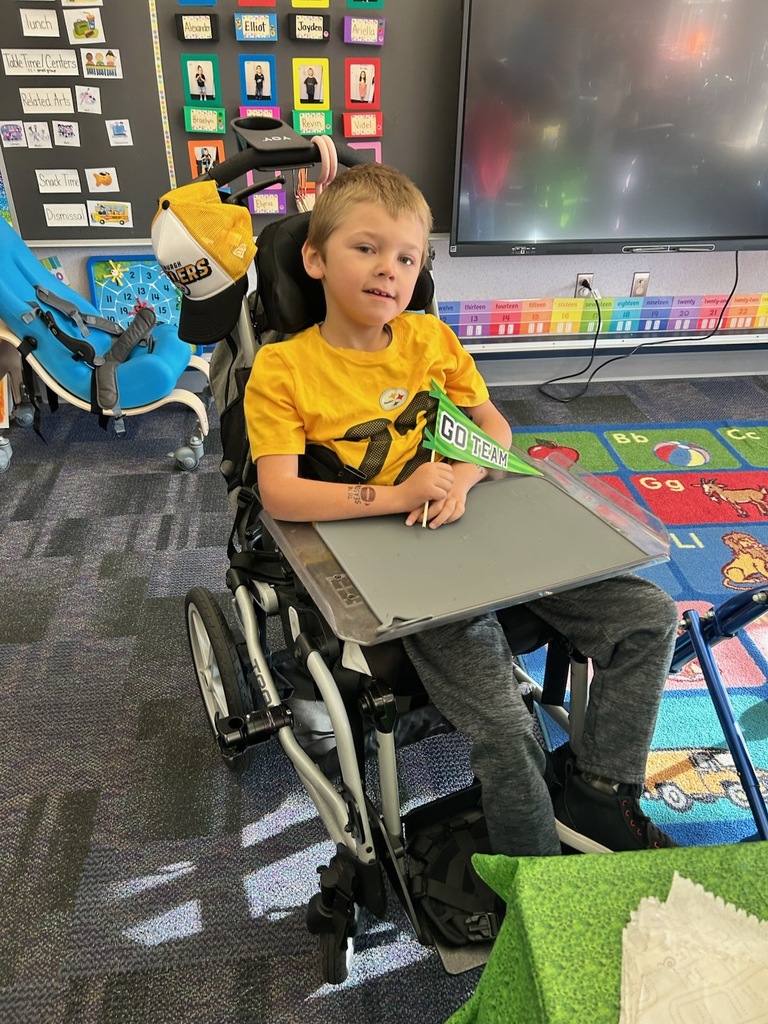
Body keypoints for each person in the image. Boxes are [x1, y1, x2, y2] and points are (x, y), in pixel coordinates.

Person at [244, 162, 680, 857]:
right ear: (315, 259)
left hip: (469, 521)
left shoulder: (430, 340)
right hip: (398, 560)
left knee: (648, 616)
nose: (389, 269)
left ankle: (599, 794)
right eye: (367, 248)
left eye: (408, 257)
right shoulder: (285, 368)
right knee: (506, 726)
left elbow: (496, 430)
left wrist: (462, 475)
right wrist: (402, 495)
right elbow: (281, 494)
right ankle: (535, 878)